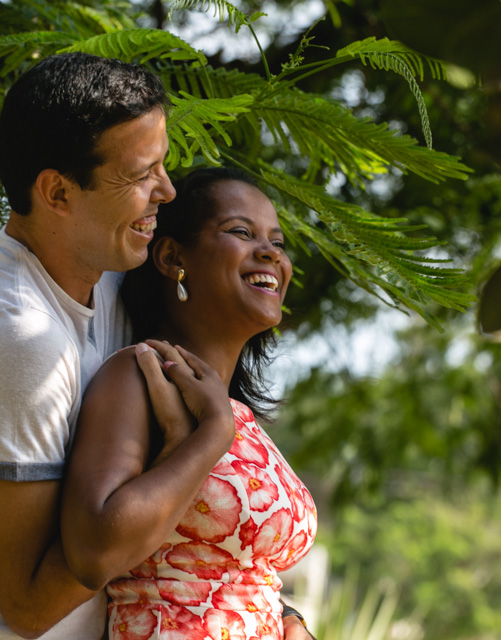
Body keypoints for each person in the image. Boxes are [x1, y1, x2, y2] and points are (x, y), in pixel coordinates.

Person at [0, 52, 180, 639]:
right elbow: (27, 607)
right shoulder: (16, 336)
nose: (166, 191)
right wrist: (197, 449)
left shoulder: (110, 282)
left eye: (163, 165)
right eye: (140, 174)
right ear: (58, 193)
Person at [60, 167, 318, 640]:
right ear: (172, 256)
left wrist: (291, 620)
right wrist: (211, 435)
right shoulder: (141, 377)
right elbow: (92, 552)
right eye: (241, 232)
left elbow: (244, 572)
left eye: (277, 243)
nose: (270, 253)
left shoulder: (236, 411)